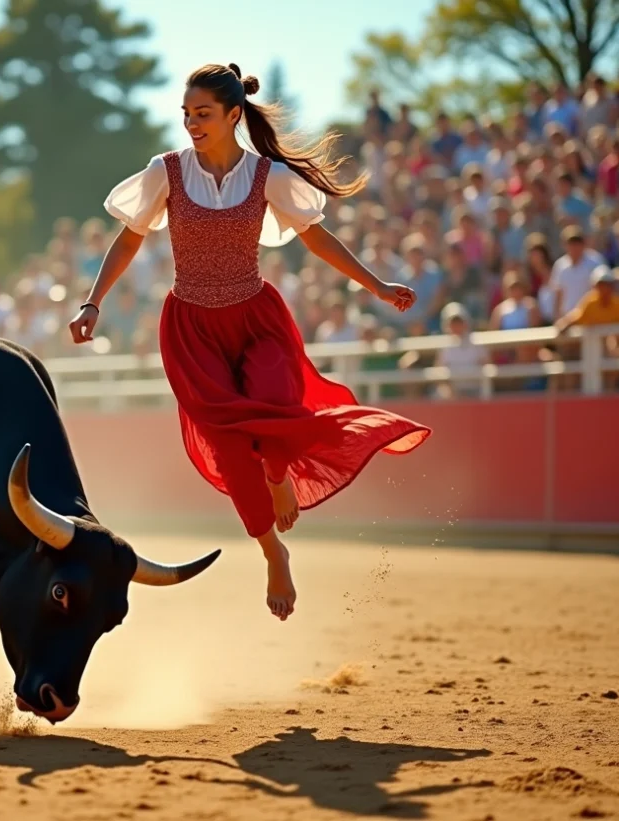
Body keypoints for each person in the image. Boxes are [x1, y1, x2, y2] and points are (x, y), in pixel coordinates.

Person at [66, 63, 431, 621]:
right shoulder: (165, 173)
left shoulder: (268, 177)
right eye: (186, 114)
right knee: (232, 449)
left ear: (234, 114)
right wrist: (93, 302)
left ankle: (279, 473)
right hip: (192, 330)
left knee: (280, 408)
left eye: (204, 114)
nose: (192, 123)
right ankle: (272, 553)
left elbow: (316, 238)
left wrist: (376, 285)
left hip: (257, 320)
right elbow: (128, 239)